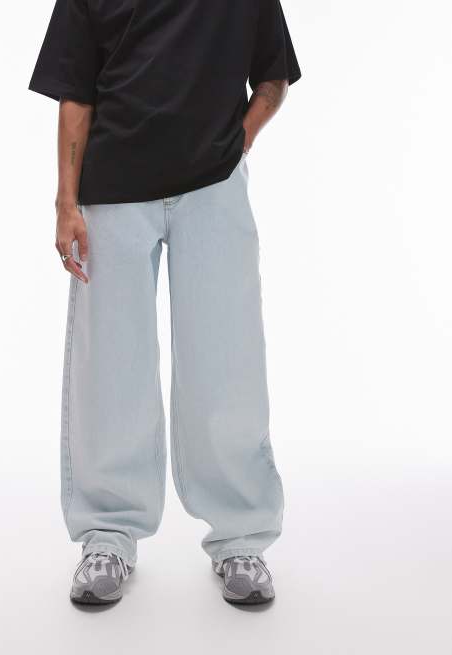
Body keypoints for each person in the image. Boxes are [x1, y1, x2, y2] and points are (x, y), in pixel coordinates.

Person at [29, 0, 301, 606]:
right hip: (111, 191)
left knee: (226, 362)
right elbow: (74, 92)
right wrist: (66, 203)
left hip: (213, 188)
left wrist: (237, 143)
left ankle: (241, 538)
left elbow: (273, 76)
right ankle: (107, 535)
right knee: (111, 370)